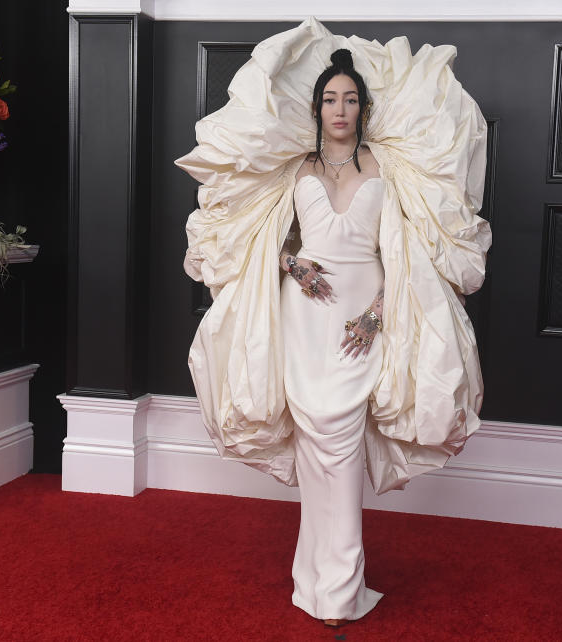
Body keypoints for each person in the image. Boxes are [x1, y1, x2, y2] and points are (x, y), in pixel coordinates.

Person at [176, 18, 491, 628]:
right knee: (315, 443)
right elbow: (266, 239)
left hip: (362, 320)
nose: (339, 108)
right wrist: (295, 266)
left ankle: (340, 590)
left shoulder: (387, 168)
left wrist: (378, 314)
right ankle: (313, 581)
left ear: (362, 107)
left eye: (349, 98)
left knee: (340, 447)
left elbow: (407, 250)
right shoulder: (296, 171)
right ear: (316, 107)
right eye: (329, 98)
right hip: (305, 318)